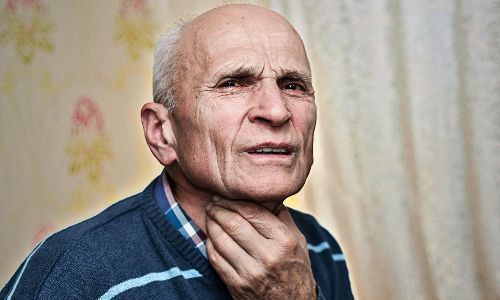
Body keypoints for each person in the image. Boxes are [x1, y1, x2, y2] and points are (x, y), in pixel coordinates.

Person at [1, 4, 352, 299]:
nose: (277, 111)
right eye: (232, 83)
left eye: (293, 85)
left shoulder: (319, 247)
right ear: (162, 132)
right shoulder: (77, 271)